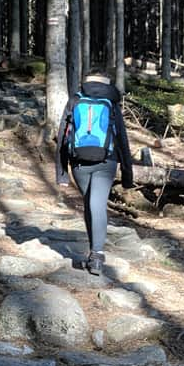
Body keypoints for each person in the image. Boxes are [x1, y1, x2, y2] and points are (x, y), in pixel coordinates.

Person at [55, 71, 134, 275]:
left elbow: (63, 136)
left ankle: (94, 254)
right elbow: (122, 139)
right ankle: (96, 255)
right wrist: (127, 174)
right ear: (106, 82)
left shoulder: (76, 99)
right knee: (96, 204)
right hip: (107, 160)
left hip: (79, 162)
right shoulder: (111, 102)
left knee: (91, 204)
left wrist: (61, 172)